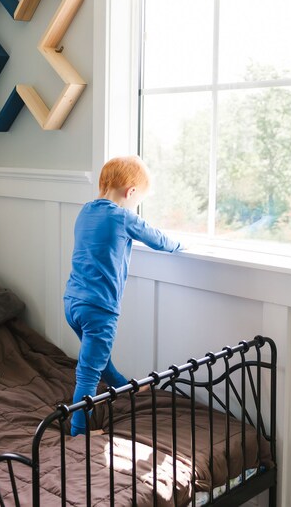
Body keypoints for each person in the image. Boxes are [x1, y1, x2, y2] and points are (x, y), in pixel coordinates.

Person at [64, 155, 182, 436]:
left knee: (97, 358)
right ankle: (78, 431)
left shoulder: (86, 211)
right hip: (99, 308)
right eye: (138, 198)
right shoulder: (122, 216)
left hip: (72, 302)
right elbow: (158, 239)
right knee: (88, 373)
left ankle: (122, 386)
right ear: (130, 192)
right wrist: (181, 244)